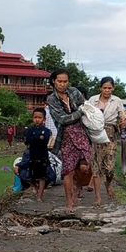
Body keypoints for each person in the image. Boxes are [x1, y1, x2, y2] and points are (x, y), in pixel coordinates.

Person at [46, 69, 93, 212]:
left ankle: (78, 186)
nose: (62, 84)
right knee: (68, 170)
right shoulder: (51, 99)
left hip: (82, 133)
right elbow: (62, 119)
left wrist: (82, 112)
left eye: (65, 81)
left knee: (84, 167)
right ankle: (69, 202)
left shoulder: (74, 92)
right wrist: (80, 112)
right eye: (59, 81)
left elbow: (86, 106)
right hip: (66, 137)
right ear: (54, 81)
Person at [88, 77, 126, 204]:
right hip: (95, 134)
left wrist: (124, 121)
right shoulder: (92, 100)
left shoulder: (116, 101)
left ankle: (108, 184)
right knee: (96, 167)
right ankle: (98, 197)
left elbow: (123, 114)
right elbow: (86, 113)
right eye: (104, 88)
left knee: (109, 168)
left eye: (109, 88)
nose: (107, 90)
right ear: (100, 88)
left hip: (110, 134)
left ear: (113, 88)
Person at [22, 107, 52, 202]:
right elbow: (27, 141)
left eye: (39, 117)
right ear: (33, 118)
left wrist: (35, 139)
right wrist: (38, 138)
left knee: (42, 177)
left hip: (43, 157)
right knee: (29, 176)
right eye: (35, 117)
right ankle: (35, 187)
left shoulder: (46, 131)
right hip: (32, 156)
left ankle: (40, 196)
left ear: (44, 119)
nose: (37, 119)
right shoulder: (29, 130)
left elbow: (44, 141)